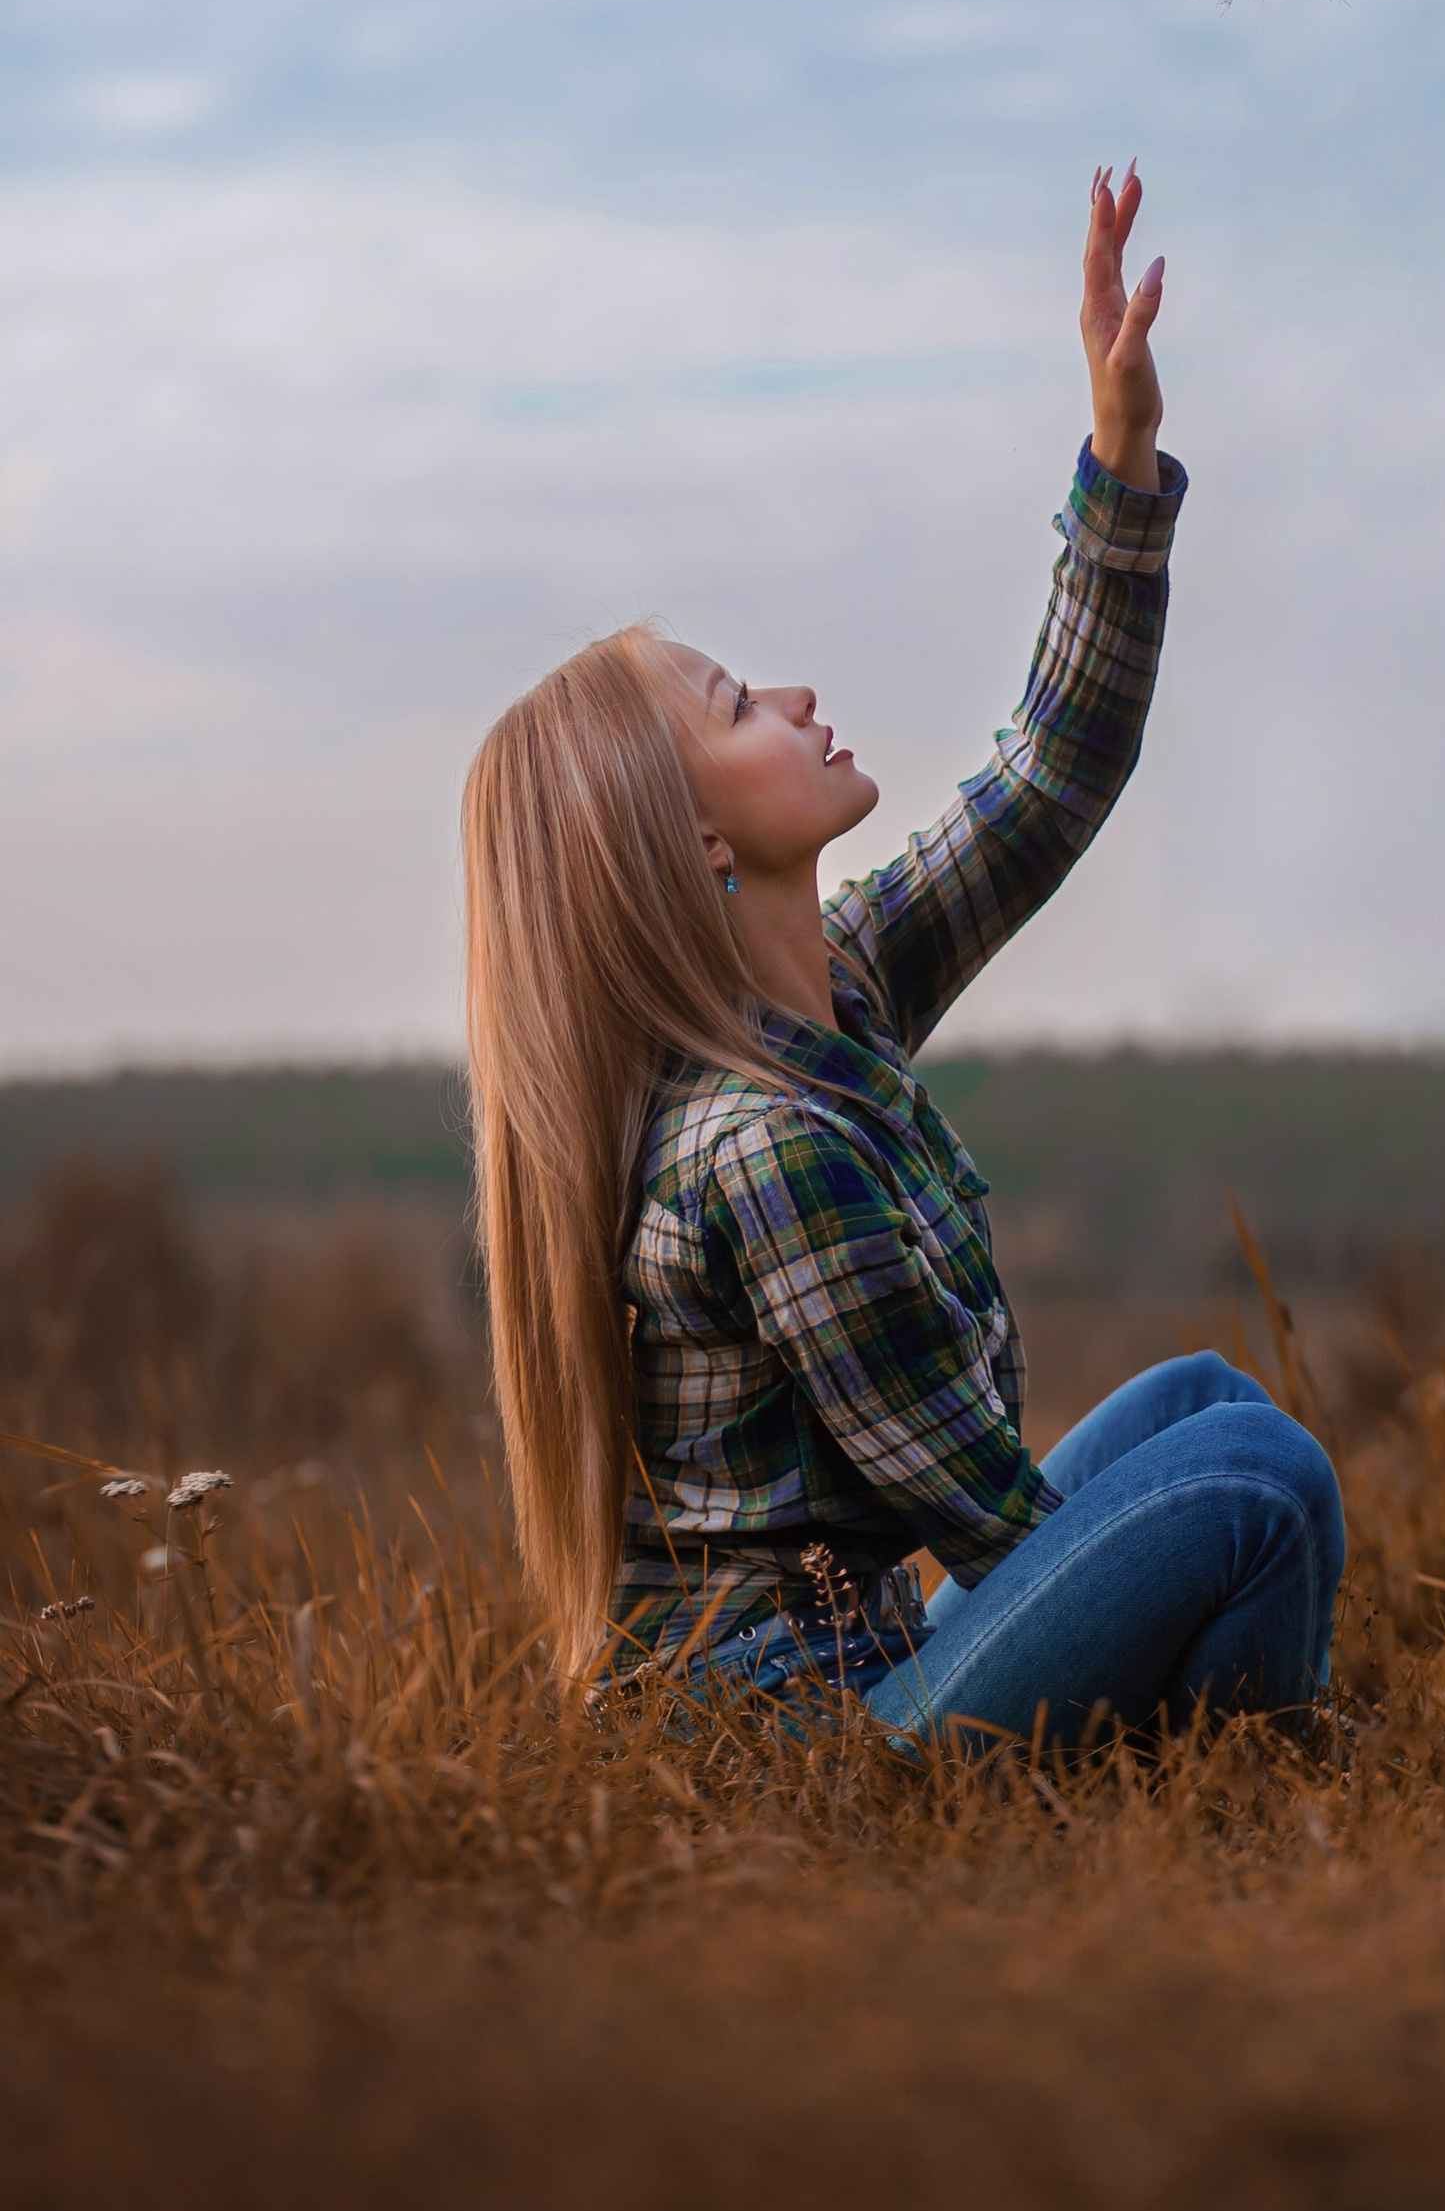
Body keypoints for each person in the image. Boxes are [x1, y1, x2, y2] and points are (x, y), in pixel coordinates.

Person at [460, 164, 1342, 1743]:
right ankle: (1237, 1781)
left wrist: (1119, 457)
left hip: (864, 1657)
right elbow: (996, 1523)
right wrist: (1151, 1575)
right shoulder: (765, 1149)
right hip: (798, 1742)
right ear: (696, 840)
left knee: (1207, 1398)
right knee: (1257, 1480)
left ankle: (1228, 1748)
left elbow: (1048, 777)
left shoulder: (833, 989)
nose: (796, 696)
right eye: (740, 705)